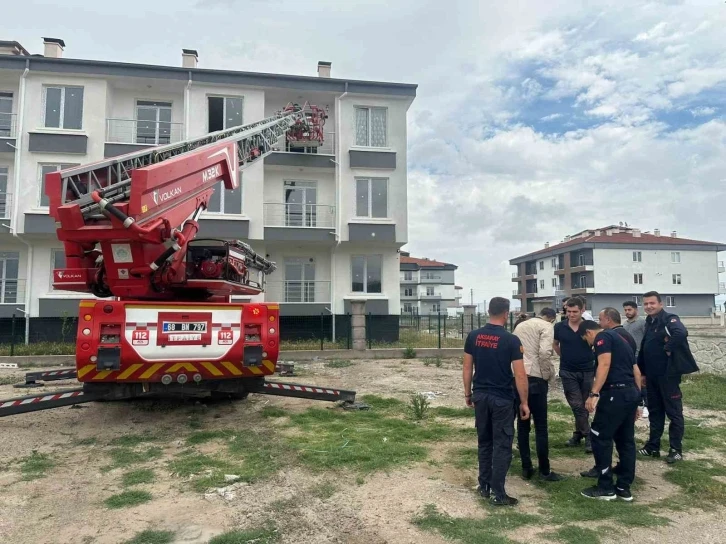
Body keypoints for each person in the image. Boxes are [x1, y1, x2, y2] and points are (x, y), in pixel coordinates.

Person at [463, 297, 530, 506]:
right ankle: (498, 493)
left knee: (485, 442)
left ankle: (483, 485)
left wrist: (468, 393)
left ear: (488, 312)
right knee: (502, 445)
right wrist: (524, 402)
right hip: (502, 398)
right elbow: (520, 375)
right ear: (506, 313)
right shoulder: (511, 340)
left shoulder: (473, 336)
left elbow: (467, 368)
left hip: (480, 396)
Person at [578, 320, 642, 501]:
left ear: (589, 332)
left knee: (599, 436)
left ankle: (605, 487)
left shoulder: (602, 337)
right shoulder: (623, 339)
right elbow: (636, 371)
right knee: (626, 440)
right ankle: (624, 487)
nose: (589, 344)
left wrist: (593, 393)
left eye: (586, 340)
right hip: (630, 392)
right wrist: (637, 401)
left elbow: (604, 365)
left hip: (615, 392)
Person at [637, 291, 699, 464]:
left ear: (660, 304)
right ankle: (653, 447)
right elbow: (645, 348)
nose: (649, 306)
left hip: (668, 376)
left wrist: (667, 348)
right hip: (652, 376)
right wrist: (642, 372)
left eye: (652, 303)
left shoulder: (669, 319)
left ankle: (675, 449)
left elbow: (681, 333)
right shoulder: (649, 322)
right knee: (655, 412)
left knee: (674, 413)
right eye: (646, 304)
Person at [512, 307, 564, 482]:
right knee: (541, 426)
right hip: (535, 378)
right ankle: (545, 469)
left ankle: (526, 467)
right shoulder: (546, 327)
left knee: (522, 424)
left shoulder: (520, 326)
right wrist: (547, 373)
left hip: (518, 376)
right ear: (551, 318)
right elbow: (544, 352)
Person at [553, 297, 595, 453]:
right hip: (567, 371)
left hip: (587, 370)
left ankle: (577, 434)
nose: (571, 314)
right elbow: (555, 344)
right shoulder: (559, 327)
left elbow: (597, 345)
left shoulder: (590, 327)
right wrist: (563, 356)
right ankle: (589, 436)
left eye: (574, 312)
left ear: (582, 310)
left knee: (583, 405)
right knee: (576, 404)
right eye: (568, 311)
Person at [623, 301, 648, 416]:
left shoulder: (642, 322)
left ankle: (646, 405)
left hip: (640, 356)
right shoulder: (625, 325)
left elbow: (646, 339)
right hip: (628, 357)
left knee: (642, 381)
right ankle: (636, 404)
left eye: (629, 309)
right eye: (625, 310)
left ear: (635, 310)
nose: (627, 312)